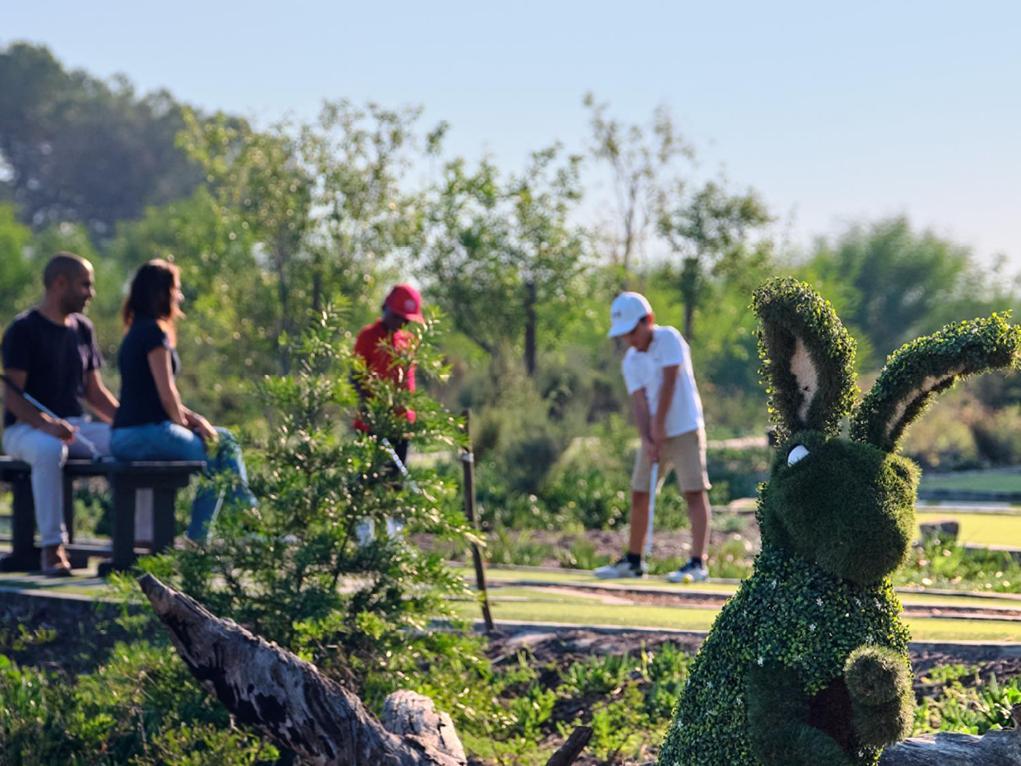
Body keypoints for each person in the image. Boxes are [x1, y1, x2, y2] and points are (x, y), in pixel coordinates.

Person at [109, 259, 253, 542]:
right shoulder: (153, 333)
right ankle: (241, 519)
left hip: (124, 435)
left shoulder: (135, 332)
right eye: (176, 289)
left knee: (221, 441)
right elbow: (167, 394)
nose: (179, 296)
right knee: (222, 447)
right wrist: (186, 426)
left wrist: (195, 420)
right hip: (146, 433)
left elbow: (156, 395)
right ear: (161, 293)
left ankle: (211, 533)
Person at [1, 252, 120, 576]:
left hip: (75, 426)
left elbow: (94, 393)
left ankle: (134, 545)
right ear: (59, 283)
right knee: (51, 449)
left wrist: (130, 423)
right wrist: (46, 425)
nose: (91, 293)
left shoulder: (83, 328)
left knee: (131, 443)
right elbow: (12, 398)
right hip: (23, 431)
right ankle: (53, 549)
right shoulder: (24, 329)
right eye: (85, 285)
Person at [595, 291, 713, 583]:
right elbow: (640, 403)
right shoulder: (630, 362)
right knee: (639, 492)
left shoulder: (669, 339)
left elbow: (670, 384)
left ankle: (697, 563)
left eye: (632, 331)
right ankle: (634, 561)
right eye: (624, 335)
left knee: (694, 492)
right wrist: (647, 438)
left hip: (685, 428)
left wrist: (659, 428)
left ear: (648, 320)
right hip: (654, 435)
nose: (629, 339)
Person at [352, 283, 423, 541]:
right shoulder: (368, 336)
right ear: (386, 310)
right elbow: (356, 377)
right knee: (367, 482)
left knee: (395, 484)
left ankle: (394, 539)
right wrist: (370, 412)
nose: (402, 323)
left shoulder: (407, 341)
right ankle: (364, 537)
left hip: (400, 425)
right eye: (398, 317)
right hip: (370, 425)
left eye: (407, 320)